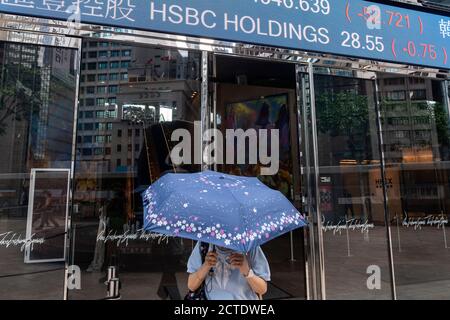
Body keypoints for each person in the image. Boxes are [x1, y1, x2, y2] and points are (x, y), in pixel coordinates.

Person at [187, 243, 270, 300]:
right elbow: (191, 286)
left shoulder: (250, 246)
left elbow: (262, 289)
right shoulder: (204, 244)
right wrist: (206, 266)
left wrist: (247, 271)